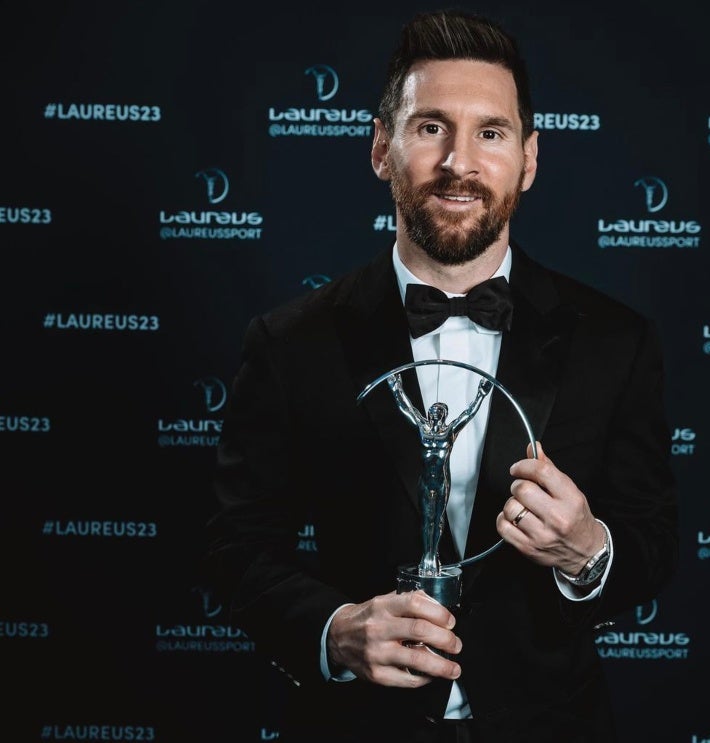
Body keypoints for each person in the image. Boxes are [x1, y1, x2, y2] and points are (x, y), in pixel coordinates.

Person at [203, 8, 678, 743]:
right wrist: (332, 630)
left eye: (491, 132)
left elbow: (653, 541)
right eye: (431, 127)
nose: (460, 162)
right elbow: (236, 546)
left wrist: (589, 552)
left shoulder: (616, 341)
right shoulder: (289, 342)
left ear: (529, 159)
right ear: (381, 149)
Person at [388, 372, 493, 577]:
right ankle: (426, 555)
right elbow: (407, 408)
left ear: (444, 414)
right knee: (426, 519)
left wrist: (481, 394)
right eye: (432, 410)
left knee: (437, 519)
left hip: (441, 481)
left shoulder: (449, 432)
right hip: (425, 481)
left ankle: (432, 555)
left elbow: (468, 414)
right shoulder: (423, 428)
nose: (434, 412)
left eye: (438, 410)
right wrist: (396, 388)